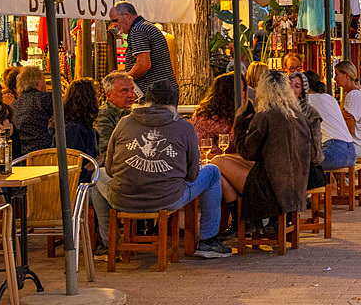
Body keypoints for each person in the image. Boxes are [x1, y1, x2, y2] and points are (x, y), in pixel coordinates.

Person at [105, 79, 231, 258]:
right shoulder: (184, 126)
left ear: (146, 100)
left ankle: (107, 245)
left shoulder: (124, 123)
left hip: (123, 199)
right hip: (167, 199)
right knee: (212, 172)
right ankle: (208, 241)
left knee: (95, 181)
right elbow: (193, 174)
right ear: (174, 103)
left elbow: (109, 170)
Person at [212, 70, 312, 228]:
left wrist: (240, 125)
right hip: (295, 184)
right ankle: (246, 223)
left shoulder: (265, 116)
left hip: (271, 187)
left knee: (217, 163)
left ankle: (243, 222)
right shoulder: (299, 117)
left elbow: (247, 152)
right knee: (222, 166)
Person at [93, 71, 135, 253]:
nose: (131, 95)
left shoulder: (132, 113)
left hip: (130, 169)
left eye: (132, 90)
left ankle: (115, 241)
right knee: (97, 184)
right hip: (114, 171)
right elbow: (105, 152)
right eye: (124, 91)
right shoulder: (104, 116)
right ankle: (110, 242)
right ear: (109, 95)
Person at [108, 1, 178, 101]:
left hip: (156, 94)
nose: (114, 25)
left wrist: (124, 78)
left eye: (115, 20)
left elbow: (143, 64)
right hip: (162, 92)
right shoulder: (144, 26)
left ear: (127, 16)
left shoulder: (138, 30)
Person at [304, 70, 356, 171]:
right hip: (351, 152)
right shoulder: (329, 97)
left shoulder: (308, 99)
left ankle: (325, 186)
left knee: (299, 163)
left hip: (335, 151)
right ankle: (335, 183)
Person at [288, 72, 327, 189]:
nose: (291, 89)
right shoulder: (277, 112)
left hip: (304, 167)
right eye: (289, 84)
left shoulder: (310, 113)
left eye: (297, 86)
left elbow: (315, 151)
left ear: (302, 93)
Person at [58, 79, 101, 183]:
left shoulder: (84, 126)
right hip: (80, 188)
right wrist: (92, 165)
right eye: (97, 95)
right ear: (88, 99)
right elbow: (72, 173)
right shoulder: (74, 129)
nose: (99, 99)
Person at [334, 60, 361, 158]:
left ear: (346, 75)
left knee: (325, 154)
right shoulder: (354, 93)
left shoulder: (353, 96)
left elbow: (349, 131)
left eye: (337, 75)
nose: (335, 78)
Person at [191, 72, 250, 144]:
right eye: (239, 91)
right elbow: (229, 145)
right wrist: (237, 121)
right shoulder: (209, 118)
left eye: (243, 90)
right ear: (228, 93)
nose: (243, 94)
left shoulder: (232, 112)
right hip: (209, 154)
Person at [12, 66, 53, 155]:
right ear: (38, 82)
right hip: (43, 153)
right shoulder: (46, 98)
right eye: (44, 81)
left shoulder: (15, 103)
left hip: (21, 155)